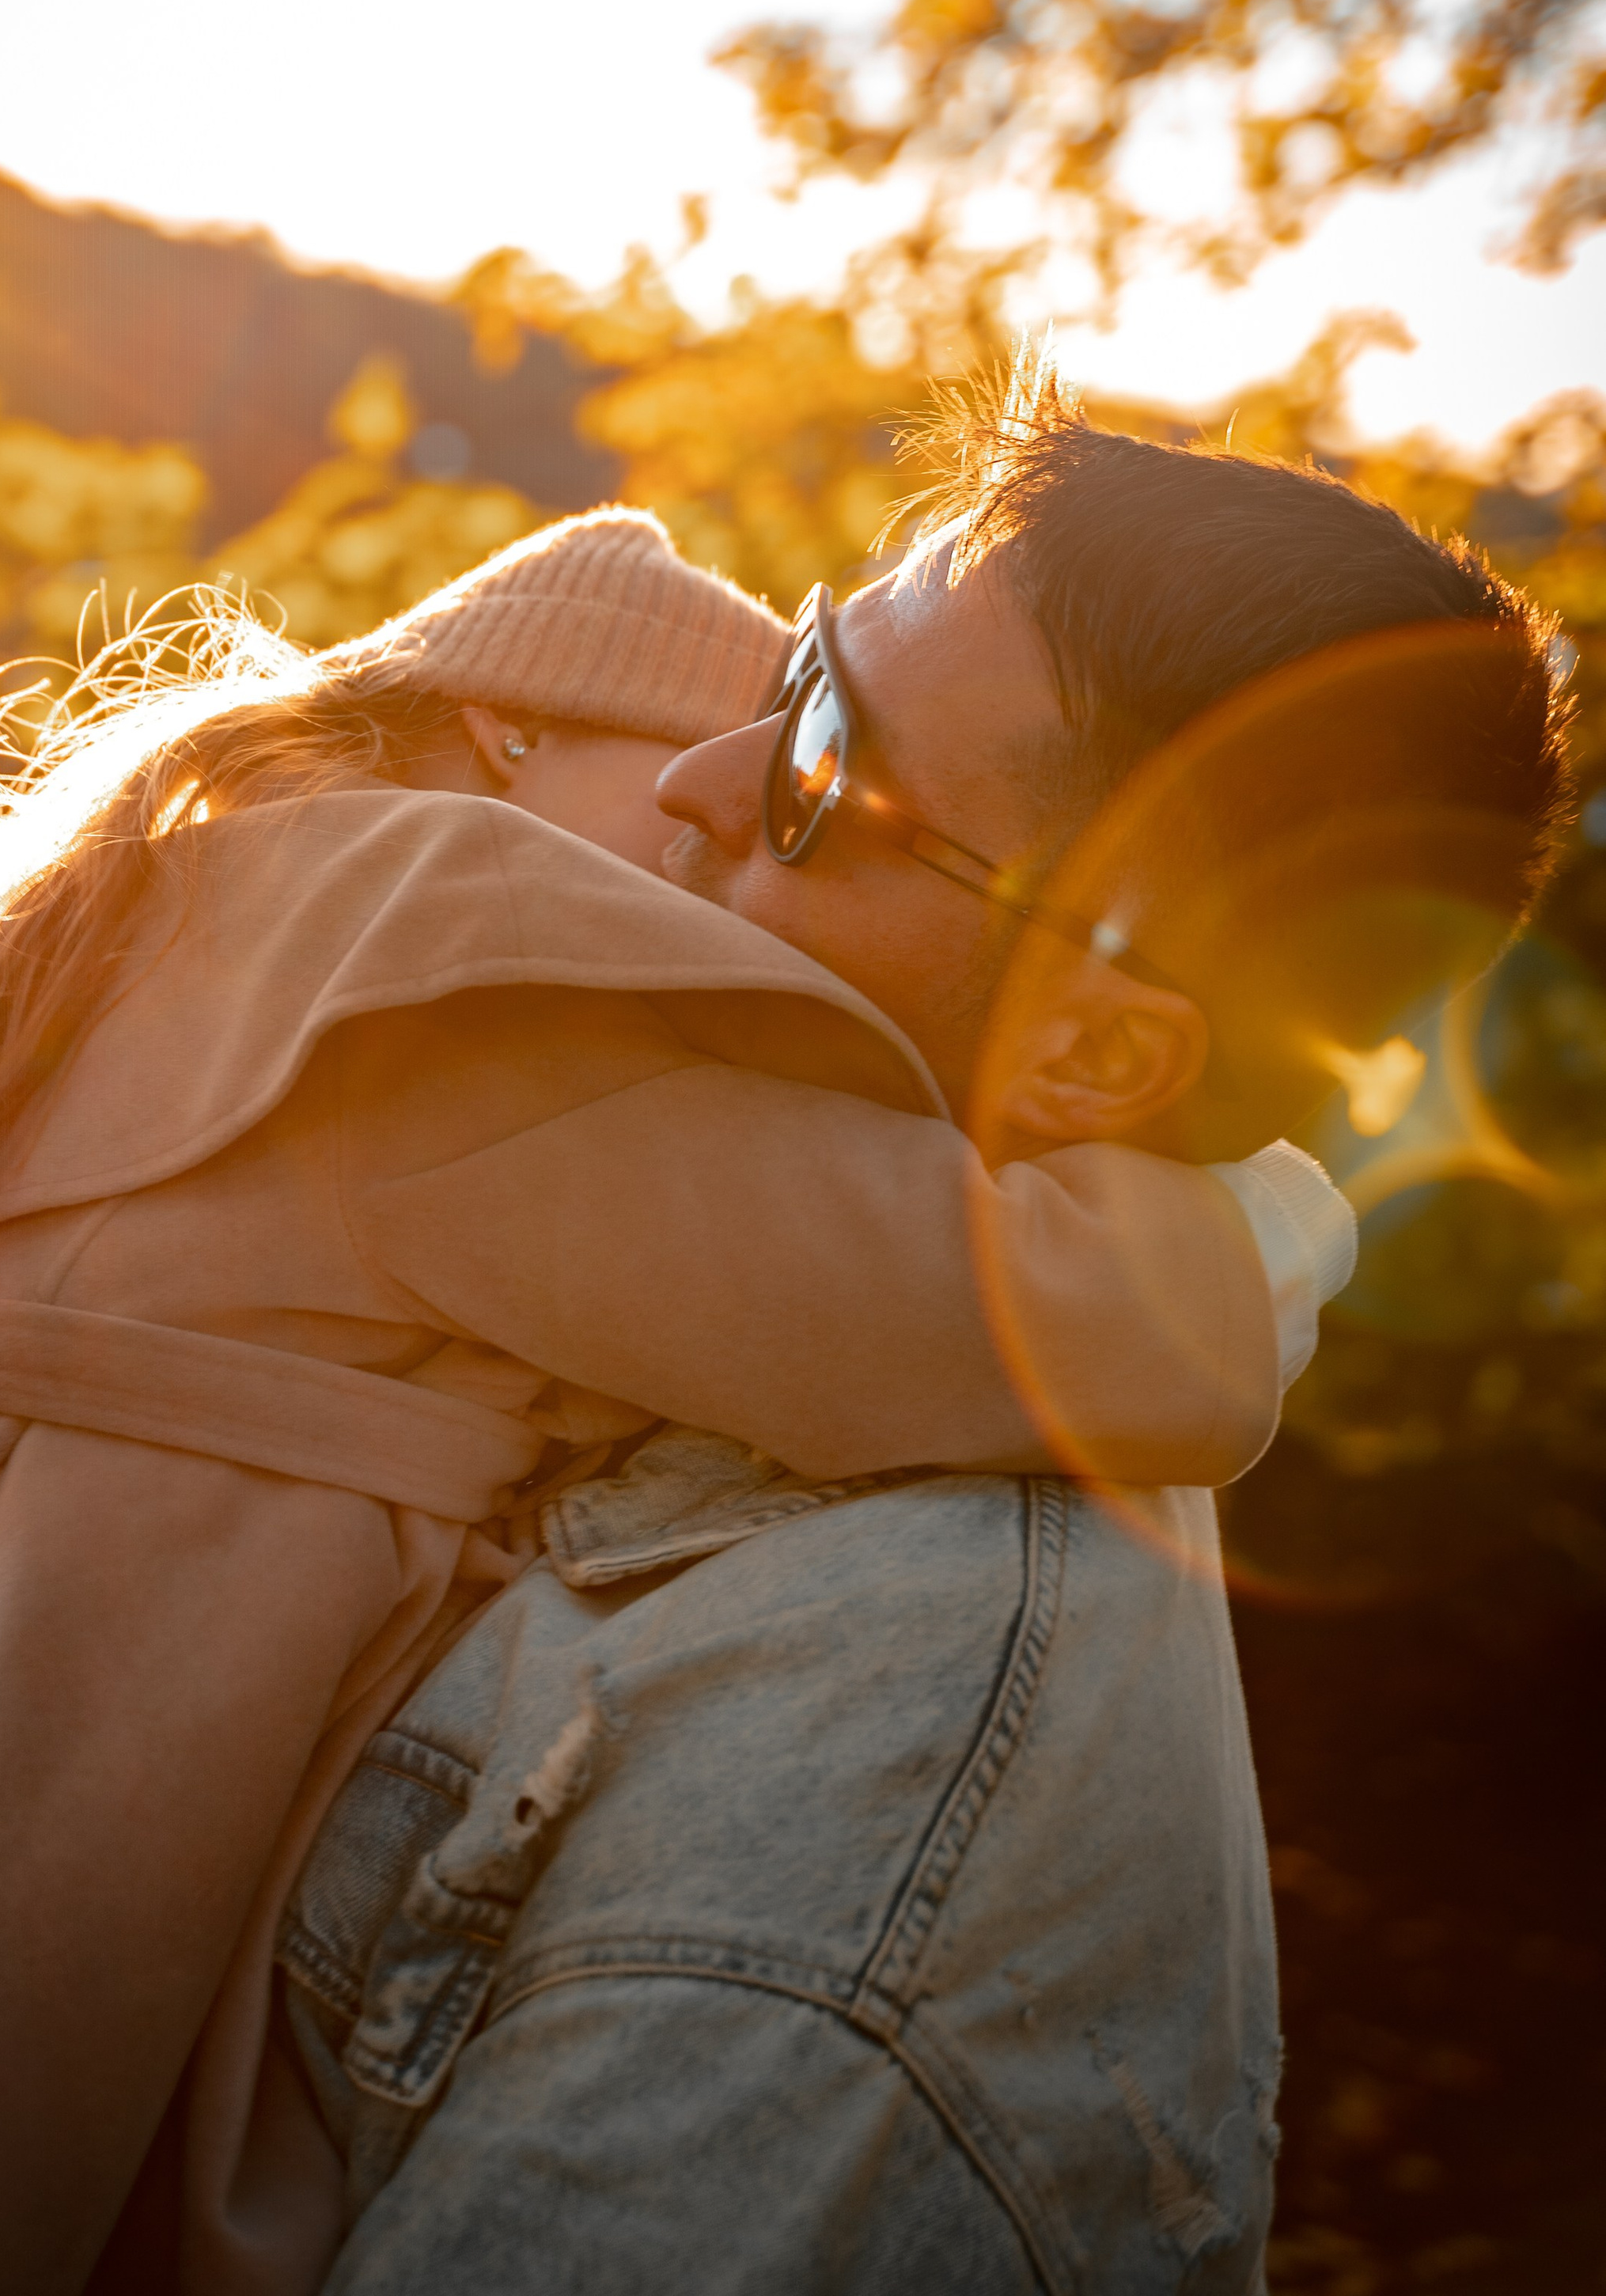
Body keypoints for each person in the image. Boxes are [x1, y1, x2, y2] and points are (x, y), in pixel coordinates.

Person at [0, 498, 1316, 2296]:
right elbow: (994, 1310)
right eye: (735, 734)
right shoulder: (451, 955)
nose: (714, 810)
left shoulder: (246, 917)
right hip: (70, 1764)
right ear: (513, 734)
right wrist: (1270, 1224)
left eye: (800, 753)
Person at [276, 396, 1574, 2294]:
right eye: (800, 657)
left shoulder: (902, 1764)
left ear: (1091, 1050)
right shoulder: (680, 1330)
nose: (695, 776)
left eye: (818, 755)